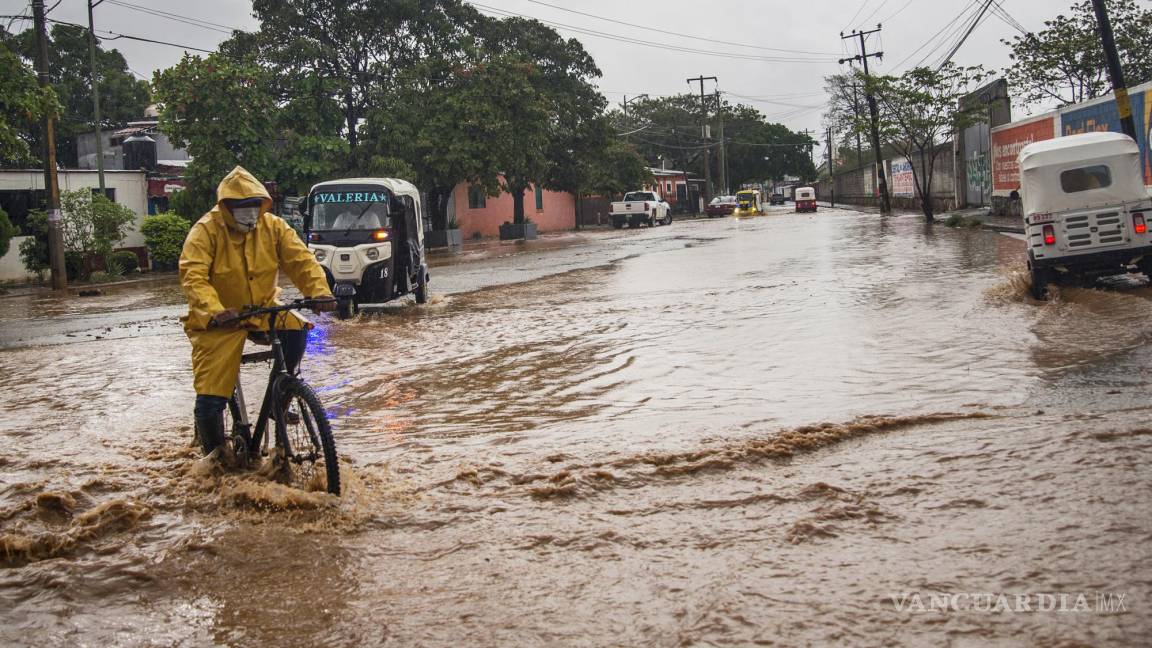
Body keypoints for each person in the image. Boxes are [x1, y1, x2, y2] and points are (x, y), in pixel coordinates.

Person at [179, 166, 336, 461]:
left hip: (265, 309)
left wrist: (319, 292)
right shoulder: (205, 231)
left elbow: (301, 260)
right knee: (211, 395)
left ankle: (284, 393)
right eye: (242, 208)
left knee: (297, 328)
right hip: (219, 320)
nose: (250, 215)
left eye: (254, 207)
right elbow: (193, 275)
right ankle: (215, 461)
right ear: (226, 208)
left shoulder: (273, 226)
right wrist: (214, 310)